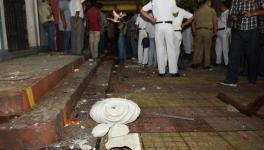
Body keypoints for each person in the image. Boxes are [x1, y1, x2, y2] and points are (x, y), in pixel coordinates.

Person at [219, 0, 263, 87]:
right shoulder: (235, 1)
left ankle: (252, 79)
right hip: (237, 31)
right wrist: (233, 17)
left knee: (252, 56)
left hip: (252, 31)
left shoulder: (257, 1)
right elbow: (230, 16)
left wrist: (252, 14)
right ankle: (231, 80)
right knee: (233, 55)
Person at [141, 0, 179, 77]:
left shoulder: (154, 0)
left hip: (158, 26)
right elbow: (175, 14)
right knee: (171, 48)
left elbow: (142, 10)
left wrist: (151, 18)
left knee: (159, 48)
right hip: (168, 25)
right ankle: (173, 72)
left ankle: (161, 72)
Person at [192, 0, 218, 69]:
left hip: (199, 31)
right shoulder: (212, 10)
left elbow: (193, 22)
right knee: (207, 48)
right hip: (208, 31)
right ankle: (206, 64)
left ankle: (195, 63)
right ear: (208, 2)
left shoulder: (198, 11)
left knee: (197, 47)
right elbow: (215, 22)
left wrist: (194, 31)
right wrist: (215, 32)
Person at [172, 7, 194, 74]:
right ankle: (173, 68)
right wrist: (184, 24)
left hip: (170, 32)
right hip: (176, 32)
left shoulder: (168, 9)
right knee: (176, 51)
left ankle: (169, 67)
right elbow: (192, 17)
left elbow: (192, 17)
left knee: (170, 50)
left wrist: (184, 24)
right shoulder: (182, 10)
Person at [215, 1, 230, 66]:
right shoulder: (222, 13)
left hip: (224, 32)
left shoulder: (228, 13)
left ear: (224, 6)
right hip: (219, 32)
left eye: (221, 5)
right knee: (218, 47)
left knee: (225, 48)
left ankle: (227, 63)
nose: (220, 7)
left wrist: (227, 32)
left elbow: (229, 24)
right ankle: (218, 61)